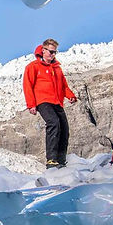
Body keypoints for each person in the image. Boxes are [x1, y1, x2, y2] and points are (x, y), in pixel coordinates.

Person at [22, 38, 77, 168]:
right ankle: (51, 160)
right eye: (51, 52)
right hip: (43, 101)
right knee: (53, 123)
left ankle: (61, 160)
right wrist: (31, 105)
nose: (52, 55)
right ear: (43, 50)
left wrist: (70, 96)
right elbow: (27, 85)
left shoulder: (57, 68)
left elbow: (63, 85)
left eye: (55, 52)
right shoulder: (33, 67)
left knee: (64, 128)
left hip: (57, 102)